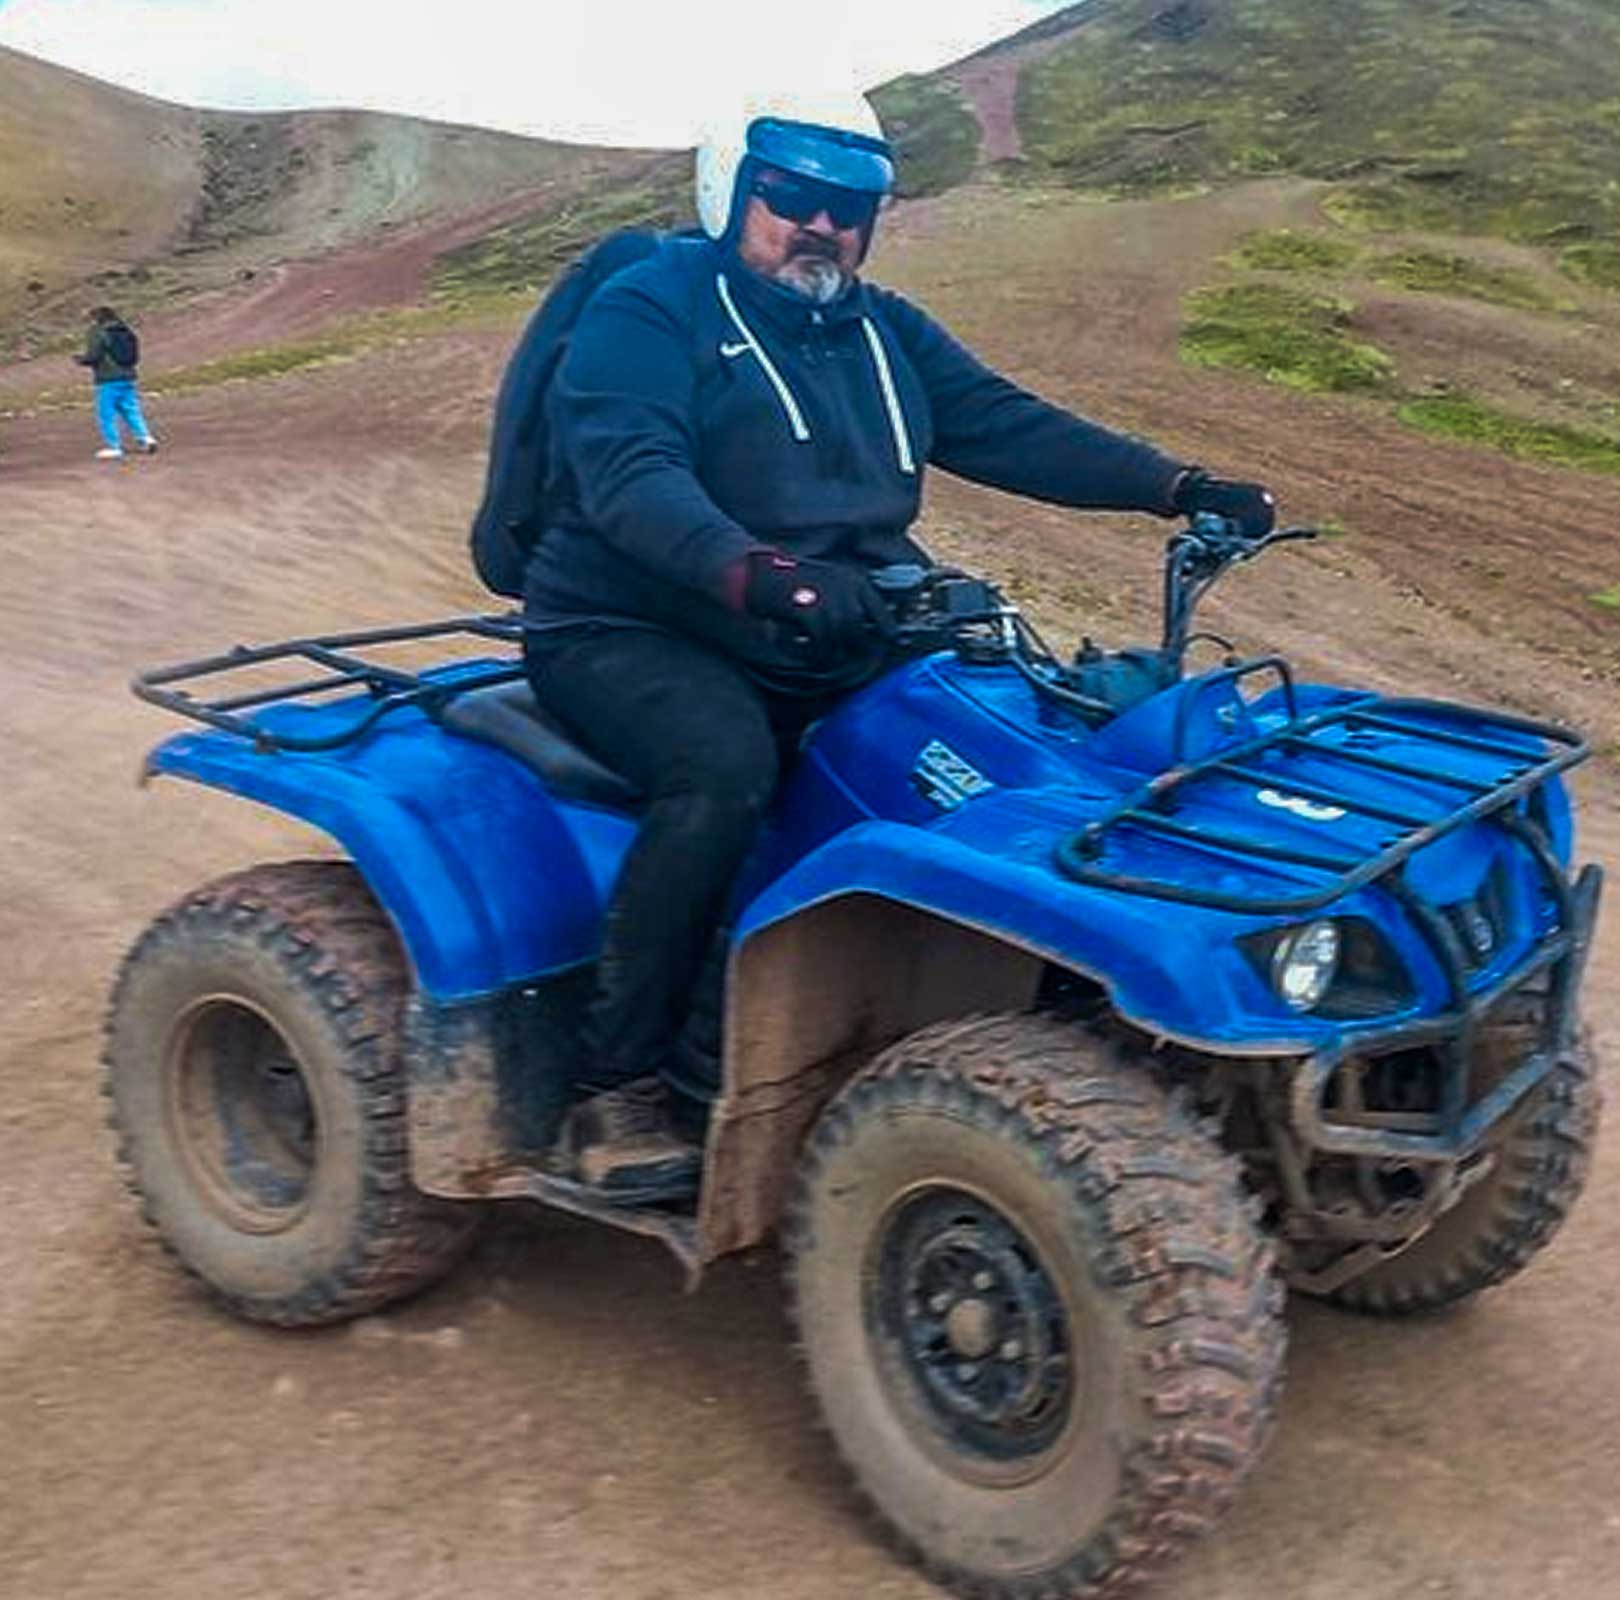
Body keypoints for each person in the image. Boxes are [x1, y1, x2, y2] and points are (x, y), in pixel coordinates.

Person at [525, 92, 1275, 1200]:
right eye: (791, 199)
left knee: (1016, 742)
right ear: (732, 193)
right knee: (722, 773)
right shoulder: (651, 308)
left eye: (847, 206)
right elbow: (632, 477)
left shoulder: (880, 330)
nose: (820, 226)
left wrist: (1174, 485)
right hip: (633, 621)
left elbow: (1007, 422)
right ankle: (618, 1089)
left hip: (823, 619)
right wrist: (756, 573)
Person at [77, 306, 158, 459]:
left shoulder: (98, 332)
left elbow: (94, 356)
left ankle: (114, 446)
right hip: (129, 375)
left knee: (106, 414)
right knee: (131, 409)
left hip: (108, 378)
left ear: (97, 318)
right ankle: (146, 438)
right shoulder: (126, 330)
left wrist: (81, 360)